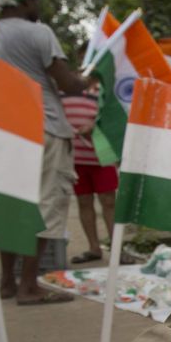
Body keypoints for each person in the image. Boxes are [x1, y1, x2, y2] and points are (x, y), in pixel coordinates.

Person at [0, 0, 90, 305]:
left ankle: (7, 282)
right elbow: (67, 85)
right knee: (43, 206)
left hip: (3, 132)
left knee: (8, 208)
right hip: (45, 127)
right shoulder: (39, 33)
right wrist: (85, 81)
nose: (38, 5)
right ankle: (29, 285)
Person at [62, 79, 118, 264]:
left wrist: (94, 126)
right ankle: (94, 247)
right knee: (84, 201)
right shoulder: (62, 91)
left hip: (102, 155)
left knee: (109, 201)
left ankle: (117, 249)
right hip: (76, 157)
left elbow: (110, 114)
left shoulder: (102, 91)